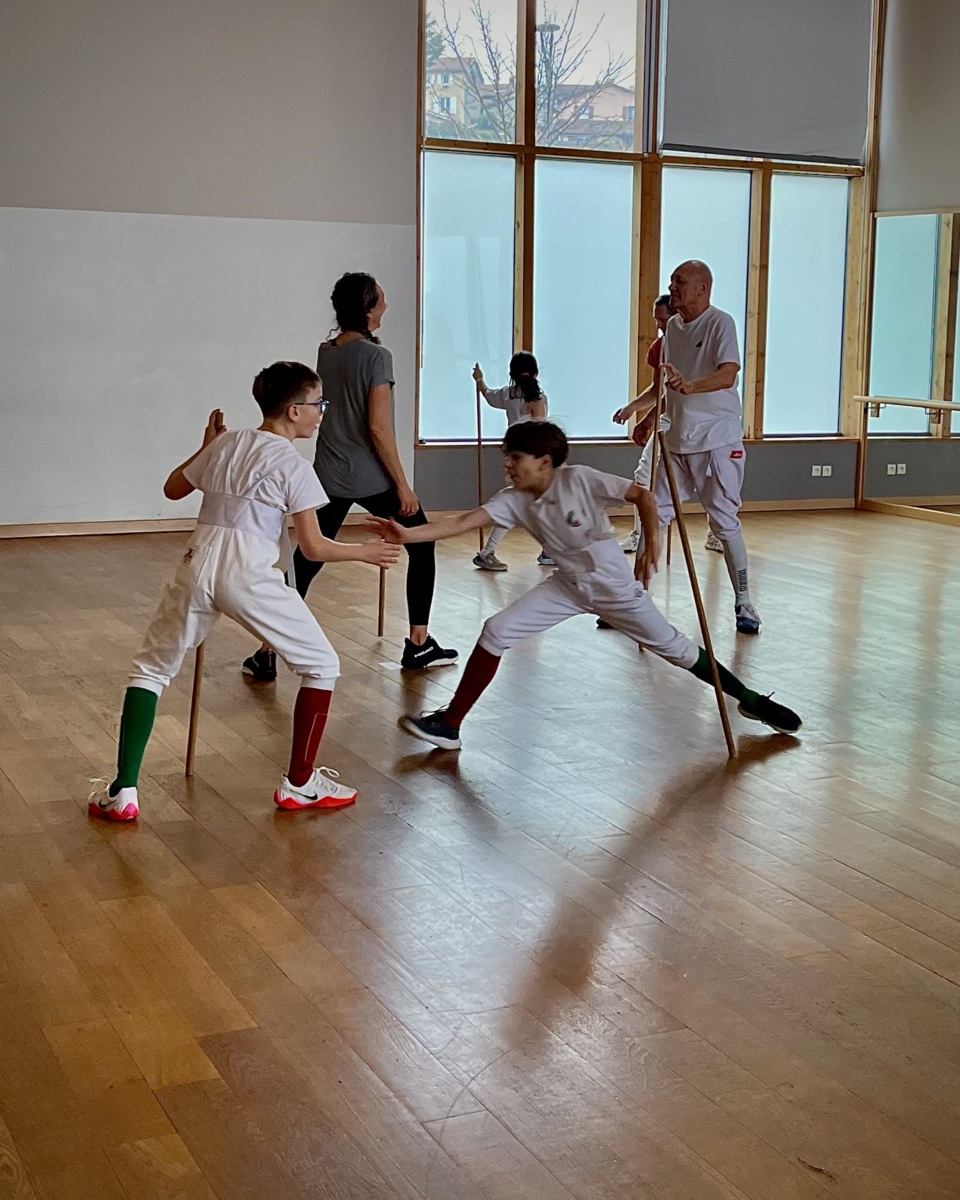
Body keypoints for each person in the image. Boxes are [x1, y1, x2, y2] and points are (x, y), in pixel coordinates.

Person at [364, 421, 801, 753]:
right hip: (568, 586)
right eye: (507, 458)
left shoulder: (580, 479)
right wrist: (406, 534)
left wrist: (651, 543)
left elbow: (643, 496)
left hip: (615, 589)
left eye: (515, 458)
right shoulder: (513, 500)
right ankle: (450, 725)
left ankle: (750, 699)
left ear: (544, 462)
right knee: (496, 631)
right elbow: (462, 522)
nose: (507, 465)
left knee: (680, 651)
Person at [88, 362, 400, 822]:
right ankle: (300, 784)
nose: (322, 413)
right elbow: (312, 548)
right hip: (248, 573)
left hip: (196, 562)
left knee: (150, 670)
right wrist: (363, 552)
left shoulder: (227, 443)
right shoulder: (294, 467)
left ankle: (123, 790)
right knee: (321, 665)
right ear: (294, 411)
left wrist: (207, 445)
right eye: (319, 404)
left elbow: (173, 489)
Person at [243, 272, 457, 681]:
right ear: (368, 308)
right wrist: (403, 486)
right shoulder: (378, 357)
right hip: (370, 475)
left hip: (328, 473)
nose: (386, 306)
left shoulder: (327, 352)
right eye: (381, 299)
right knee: (422, 542)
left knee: (307, 558)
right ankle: (418, 644)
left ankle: (267, 650)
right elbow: (377, 427)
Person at [625, 261, 761, 635]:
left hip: (717, 440)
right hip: (676, 440)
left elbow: (728, 374)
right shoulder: (672, 328)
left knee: (724, 522)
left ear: (703, 288)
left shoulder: (721, 323)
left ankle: (744, 601)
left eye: (680, 282)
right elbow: (666, 385)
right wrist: (647, 417)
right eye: (671, 281)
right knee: (652, 512)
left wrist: (692, 386)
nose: (672, 287)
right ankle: (633, 599)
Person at [612, 294, 723, 556]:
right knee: (643, 475)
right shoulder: (659, 346)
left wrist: (648, 418)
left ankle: (717, 533)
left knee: (712, 483)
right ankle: (640, 533)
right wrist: (633, 409)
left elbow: (688, 390)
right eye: (657, 321)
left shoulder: (698, 342)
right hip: (668, 419)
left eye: (663, 320)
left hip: (703, 422)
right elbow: (658, 390)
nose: (660, 326)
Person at [471, 352, 552, 571]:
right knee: (530, 503)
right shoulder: (537, 398)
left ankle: (548, 550)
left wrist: (479, 378)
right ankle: (488, 552)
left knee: (533, 504)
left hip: (514, 455)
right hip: (532, 459)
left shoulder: (508, 395)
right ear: (535, 372)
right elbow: (540, 430)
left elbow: (487, 395)